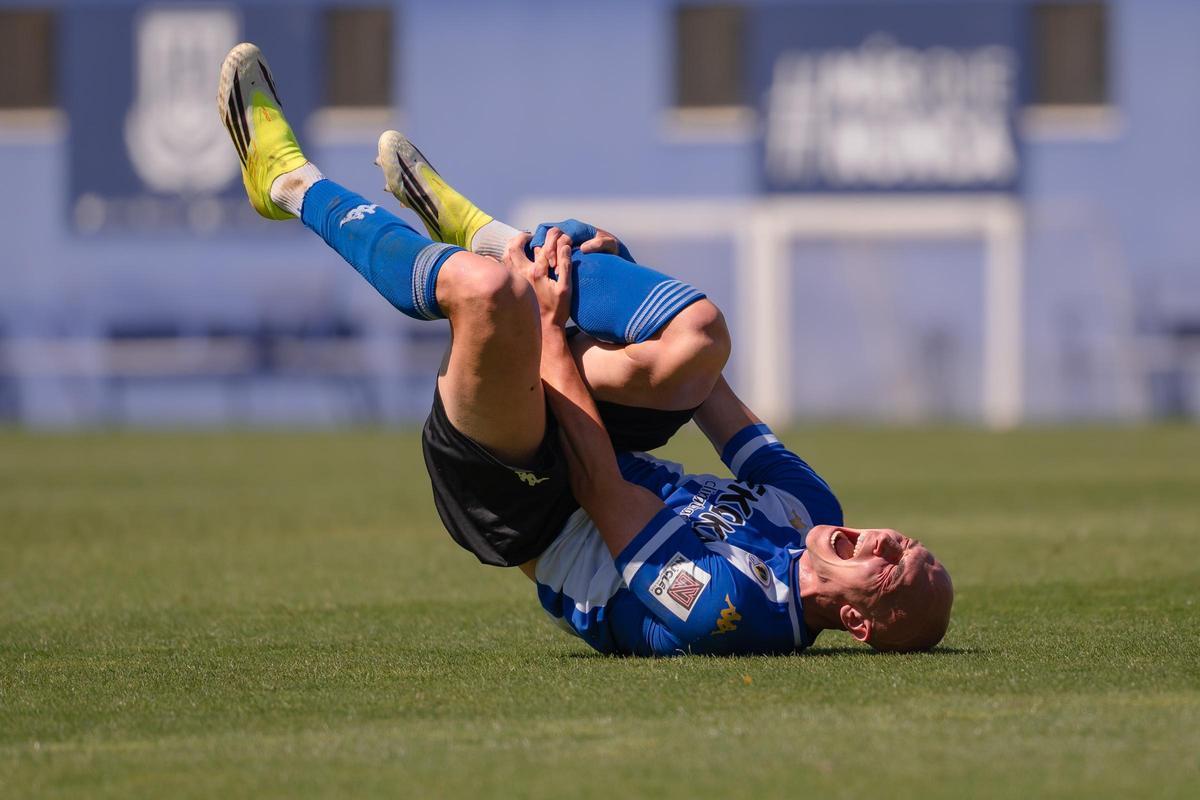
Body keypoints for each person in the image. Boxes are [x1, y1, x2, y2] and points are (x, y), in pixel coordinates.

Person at [217, 44, 953, 656]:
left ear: (857, 623)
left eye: (891, 567)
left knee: (487, 296)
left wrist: (550, 326)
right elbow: (712, 392)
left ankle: (286, 180)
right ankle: (498, 236)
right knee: (698, 335)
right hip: (591, 436)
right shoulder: (811, 507)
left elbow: (600, 489)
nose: (886, 540)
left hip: (533, 500)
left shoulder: (736, 615)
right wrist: (618, 295)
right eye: (905, 540)